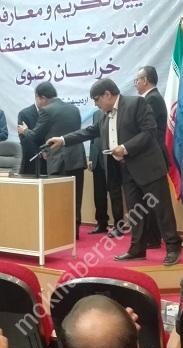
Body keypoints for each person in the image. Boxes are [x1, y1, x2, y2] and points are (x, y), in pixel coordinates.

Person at [48, 79, 181, 265]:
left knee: (162, 210)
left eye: (96, 100)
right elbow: (88, 132)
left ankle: (173, 247)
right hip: (126, 170)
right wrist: (63, 140)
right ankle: (137, 249)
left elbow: (149, 132)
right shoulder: (104, 116)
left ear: (107, 95)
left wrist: (125, 148)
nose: (96, 104)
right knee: (135, 212)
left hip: (149, 167)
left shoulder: (136, 103)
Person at [18, 82, 86, 235]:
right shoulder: (74, 109)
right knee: (75, 195)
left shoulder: (46, 111)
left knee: (58, 197)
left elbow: (35, 135)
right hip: (77, 158)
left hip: (58, 159)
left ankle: (61, 231)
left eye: (37, 98)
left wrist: (25, 130)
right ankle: (74, 229)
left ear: (42, 98)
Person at [135, 66, 168, 249]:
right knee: (149, 200)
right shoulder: (151, 98)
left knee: (154, 200)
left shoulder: (152, 99)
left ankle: (153, 238)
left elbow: (147, 130)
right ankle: (151, 237)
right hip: (149, 156)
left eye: (137, 80)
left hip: (152, 157)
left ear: (145, 80)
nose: (135, 84)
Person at [88, 109, 124, 235]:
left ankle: (119, 226)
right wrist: (91, 157)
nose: (96, 103)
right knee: (99, 194)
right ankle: (101, 223)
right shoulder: (96, 114)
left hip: (111, 158)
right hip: (97, 159)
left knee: (115, 193)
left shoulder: (117, 112)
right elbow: (92, 137)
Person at [17, 102, 43, 175]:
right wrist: (39, 150)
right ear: (37, 97)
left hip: (48, 157)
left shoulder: (50, 112)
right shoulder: (24, 113)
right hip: (31, 157)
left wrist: (27, 131)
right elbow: (23, 138)